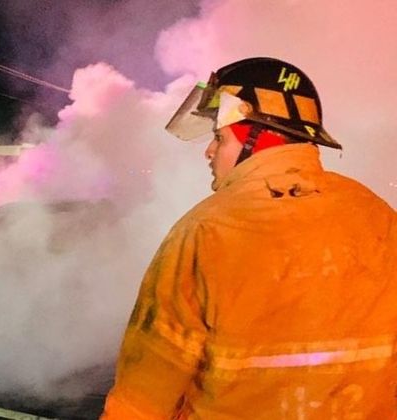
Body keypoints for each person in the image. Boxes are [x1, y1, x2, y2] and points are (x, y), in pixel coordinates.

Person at [101, 57, 397, 419]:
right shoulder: (378, 217)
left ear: (257, 138)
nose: (209, 152)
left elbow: (142, 397)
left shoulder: (205, 231)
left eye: (219, 138)